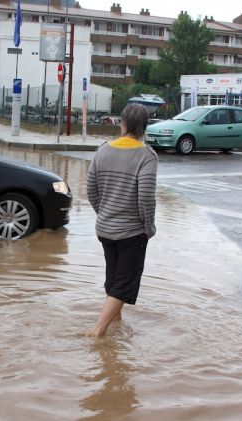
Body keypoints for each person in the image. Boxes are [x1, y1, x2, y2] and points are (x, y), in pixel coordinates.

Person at [86, 103, 157, 337]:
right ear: (144, 128)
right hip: (131, 233)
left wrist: (105, 213)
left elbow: (91, 190)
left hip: (105, 229)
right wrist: (149, 227)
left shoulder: (102, 150)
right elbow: (145, 196)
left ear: (122, 124)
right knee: (124, 284)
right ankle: (98, 331)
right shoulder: (147, 156)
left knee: (114, 278)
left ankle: (116, 325)